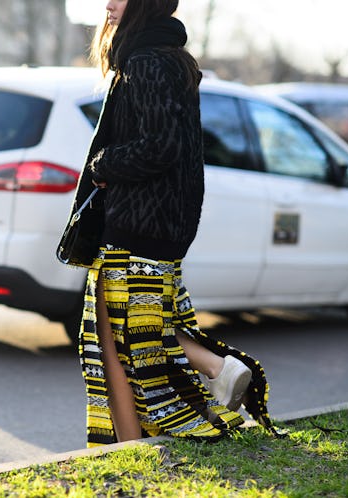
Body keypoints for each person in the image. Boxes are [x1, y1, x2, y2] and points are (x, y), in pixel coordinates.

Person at [60, 0, 278, 447]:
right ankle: (139, 433)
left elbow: (161, 146)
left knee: (112, 340)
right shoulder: (166, 59)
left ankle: (210, 374)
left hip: (138, 221)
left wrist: (104, 163)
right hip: (156, 222)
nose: (108, 4)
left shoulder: (147, 62)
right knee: (126, 335)